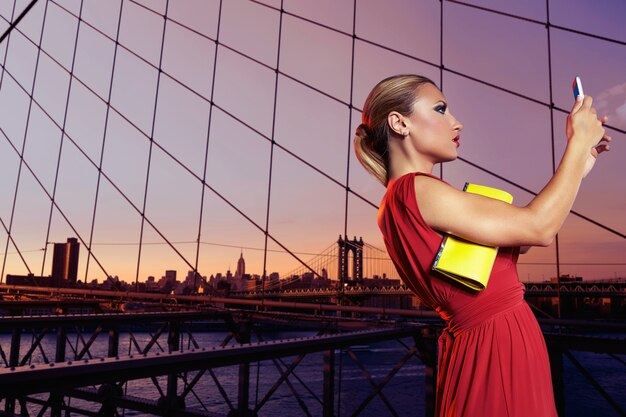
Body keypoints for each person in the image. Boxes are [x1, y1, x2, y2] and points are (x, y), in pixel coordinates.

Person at [353, 74, 610, 417]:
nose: (456, 122)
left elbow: (521, 237)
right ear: (400, 123)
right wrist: (576, 144)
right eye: (441, 109)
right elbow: (538, 228)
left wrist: (579, 165)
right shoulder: (417, 191)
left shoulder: (402, 199)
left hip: (490, 347)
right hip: (496, 351)